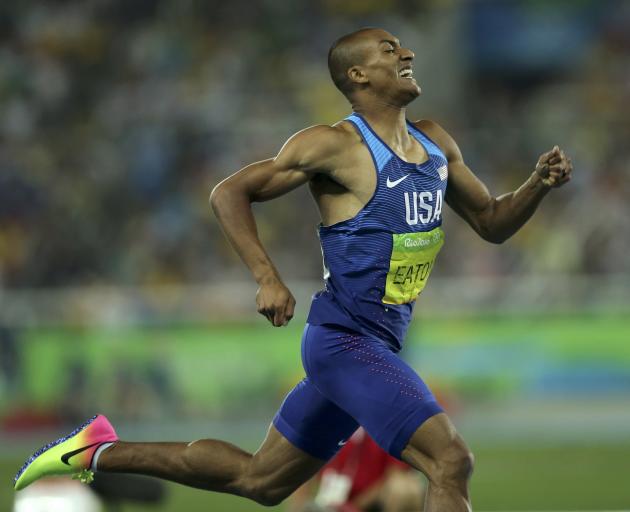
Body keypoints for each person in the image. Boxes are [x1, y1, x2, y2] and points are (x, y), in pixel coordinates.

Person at [14, 27, 573, 512]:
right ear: (358, 75)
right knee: (450, 460)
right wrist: (266, 276)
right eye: (388, 49)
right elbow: (228, 192)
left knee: (259, 480)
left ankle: (94, 451)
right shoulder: (334, 146)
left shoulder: (435, 143)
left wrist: (536, 186)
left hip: (373, 345)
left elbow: (493, 221)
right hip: (343, 343)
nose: (406, 53)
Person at [289, 427, 425, 512]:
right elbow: (303, 462)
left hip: (370, 504)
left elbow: (396, 475)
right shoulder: (328, 415)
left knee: (406, 490)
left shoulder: (390, 423)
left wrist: (353, 507)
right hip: (328, 502)